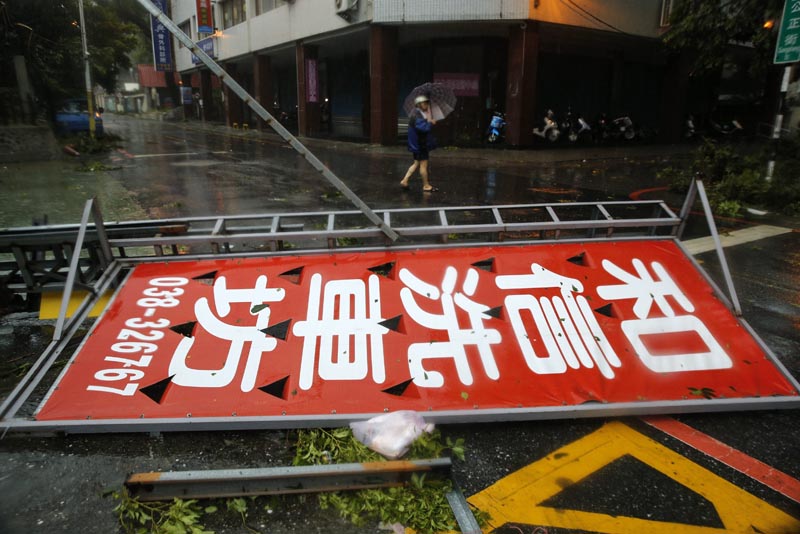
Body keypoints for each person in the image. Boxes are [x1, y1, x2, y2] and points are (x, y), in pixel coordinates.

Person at [400, 94, 439, 192]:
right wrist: (430, 122)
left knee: (416, 163)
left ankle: (405, 180)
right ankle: (426, 185)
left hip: (417, 145)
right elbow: (424, 129)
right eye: (425, 103)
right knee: (423, 165)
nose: (427, 105)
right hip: (420, 145)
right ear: (420, 104)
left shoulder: (418, 114)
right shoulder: (418, 116)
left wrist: (428, 120)